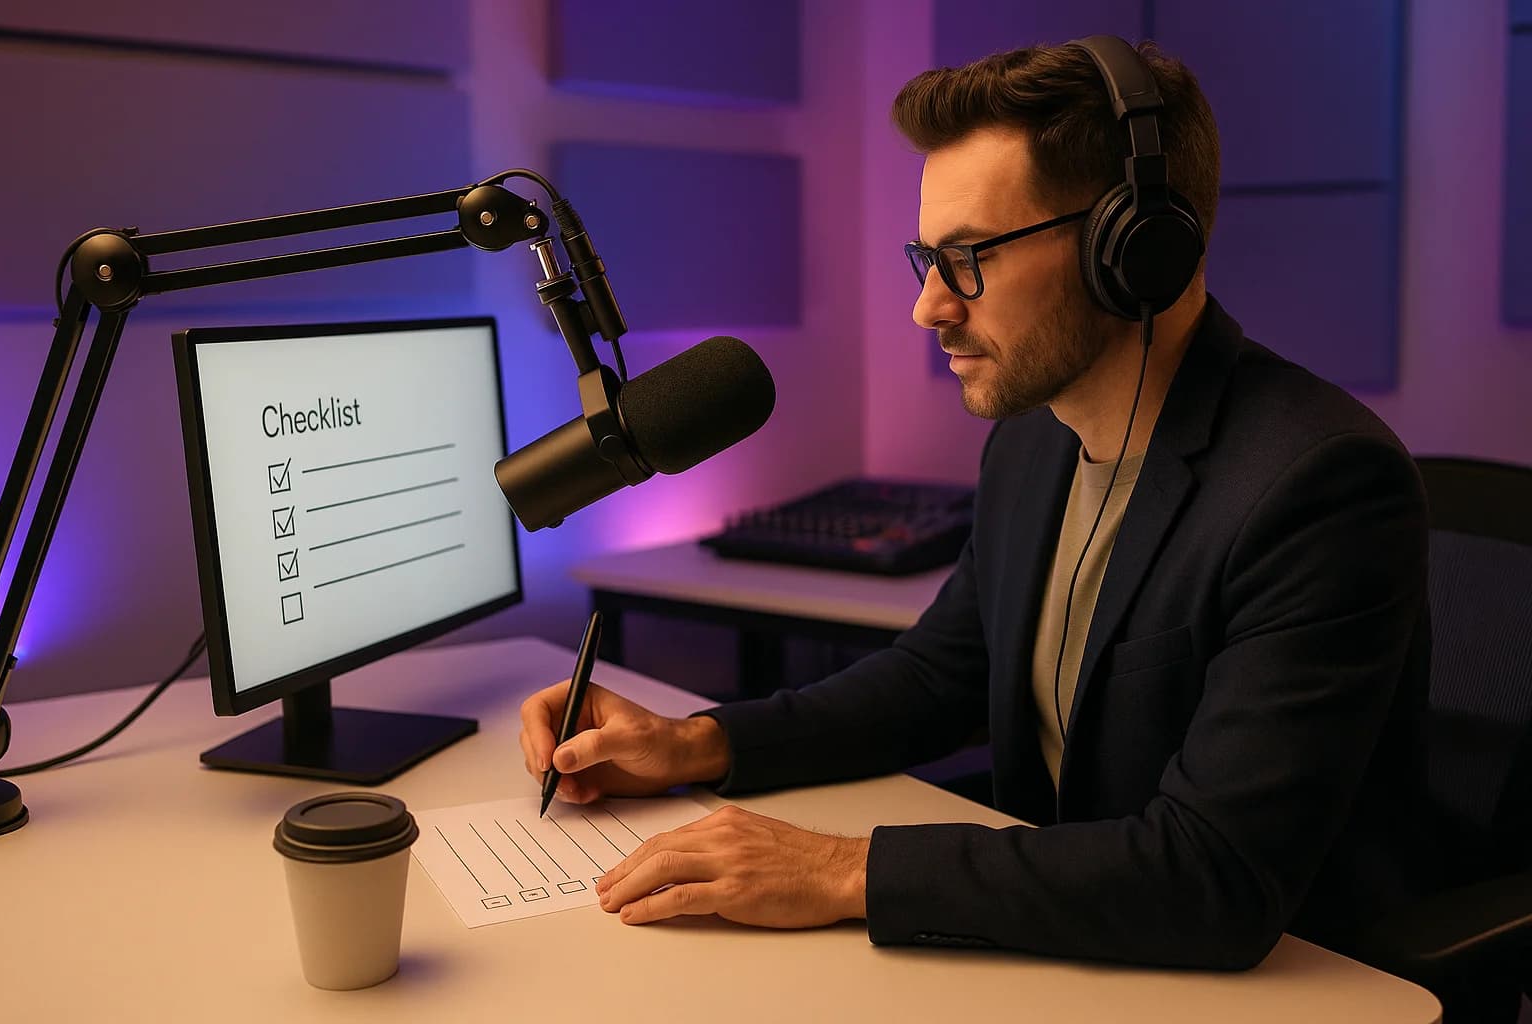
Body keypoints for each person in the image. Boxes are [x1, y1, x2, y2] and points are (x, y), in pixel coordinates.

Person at [518, 37, 1434, 969]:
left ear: (1135, 249)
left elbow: (1214, 876)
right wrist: (696, 744)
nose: (928, 307)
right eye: (927, 256)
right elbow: (937, 676)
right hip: (1067, 947)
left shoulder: (1320, 485)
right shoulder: (1034, 441)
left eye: (969, 258)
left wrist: (843, 871)